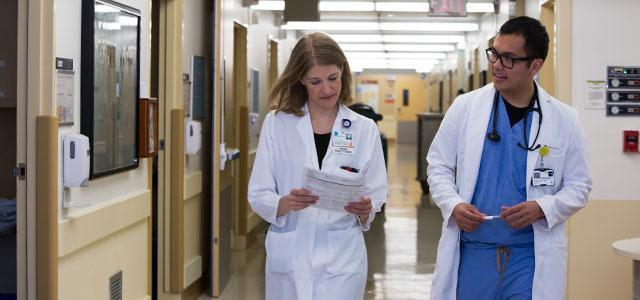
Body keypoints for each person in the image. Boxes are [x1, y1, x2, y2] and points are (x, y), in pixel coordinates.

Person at [427, 16, 592, 300]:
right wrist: (453, 205)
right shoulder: (465, 108)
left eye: (509, 58)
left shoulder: (564, 119)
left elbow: (579, 187)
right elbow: (438, 166)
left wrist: (542, 207)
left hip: (530, 257)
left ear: (535, 66)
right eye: (494, 54)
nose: (496, 65)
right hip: (473, 254)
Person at [248, 32, 387, 300]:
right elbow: (258, 193)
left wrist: (366, 209)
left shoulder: (364, 129)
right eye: (316, 81)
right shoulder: (277, 124)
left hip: (342, 259)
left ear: (343, 73)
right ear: (301, 79)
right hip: (289, 253)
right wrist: (286, 202)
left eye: (333, 78)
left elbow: (377, 192)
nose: (327, 89)